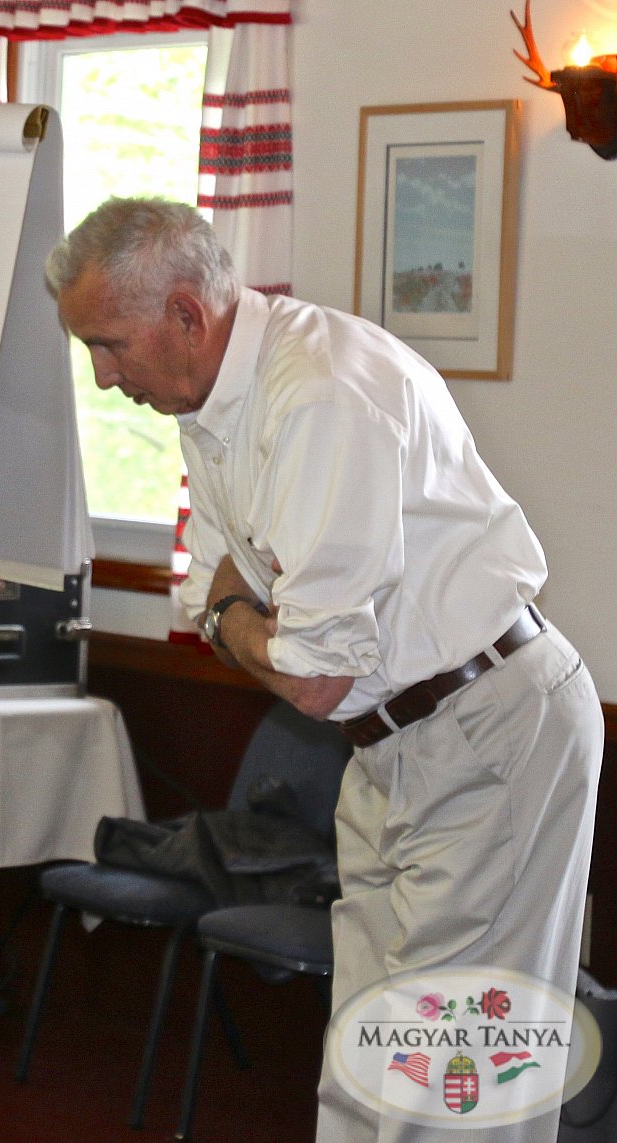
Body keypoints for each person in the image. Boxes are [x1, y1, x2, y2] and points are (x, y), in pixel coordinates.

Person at [48, 197, 601, 1141]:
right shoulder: (207, 403)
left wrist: (237, 618)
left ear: (186, 314)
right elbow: (208, 594)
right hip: (386, 743)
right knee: (365, 1059)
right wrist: (241, 619)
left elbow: (310, 673)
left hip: (488, 727)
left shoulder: (317, 394)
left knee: (450, 1087)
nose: (103, 376)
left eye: (109, 344)